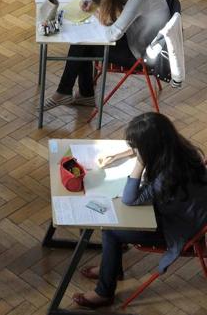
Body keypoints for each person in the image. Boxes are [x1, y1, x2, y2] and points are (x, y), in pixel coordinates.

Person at [72, 112, 207, 308]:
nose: (134, 149)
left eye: (137, 147)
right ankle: (111, 268)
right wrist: (119, 154)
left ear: (149, 149)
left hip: (178, 229)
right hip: (184, 212)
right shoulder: (178, 148)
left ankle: (104, 292)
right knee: (114, 225)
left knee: (111, 230)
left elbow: (130, 199)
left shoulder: (168, 175)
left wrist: (140, 163)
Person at [43, 0, 169, 111]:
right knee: (84, 43)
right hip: (141, 37)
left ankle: (68, 91)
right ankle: (81, 94)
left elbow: (111, 35)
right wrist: (95, 3)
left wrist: (97, 14)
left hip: (142, 54)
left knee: (83, 43)